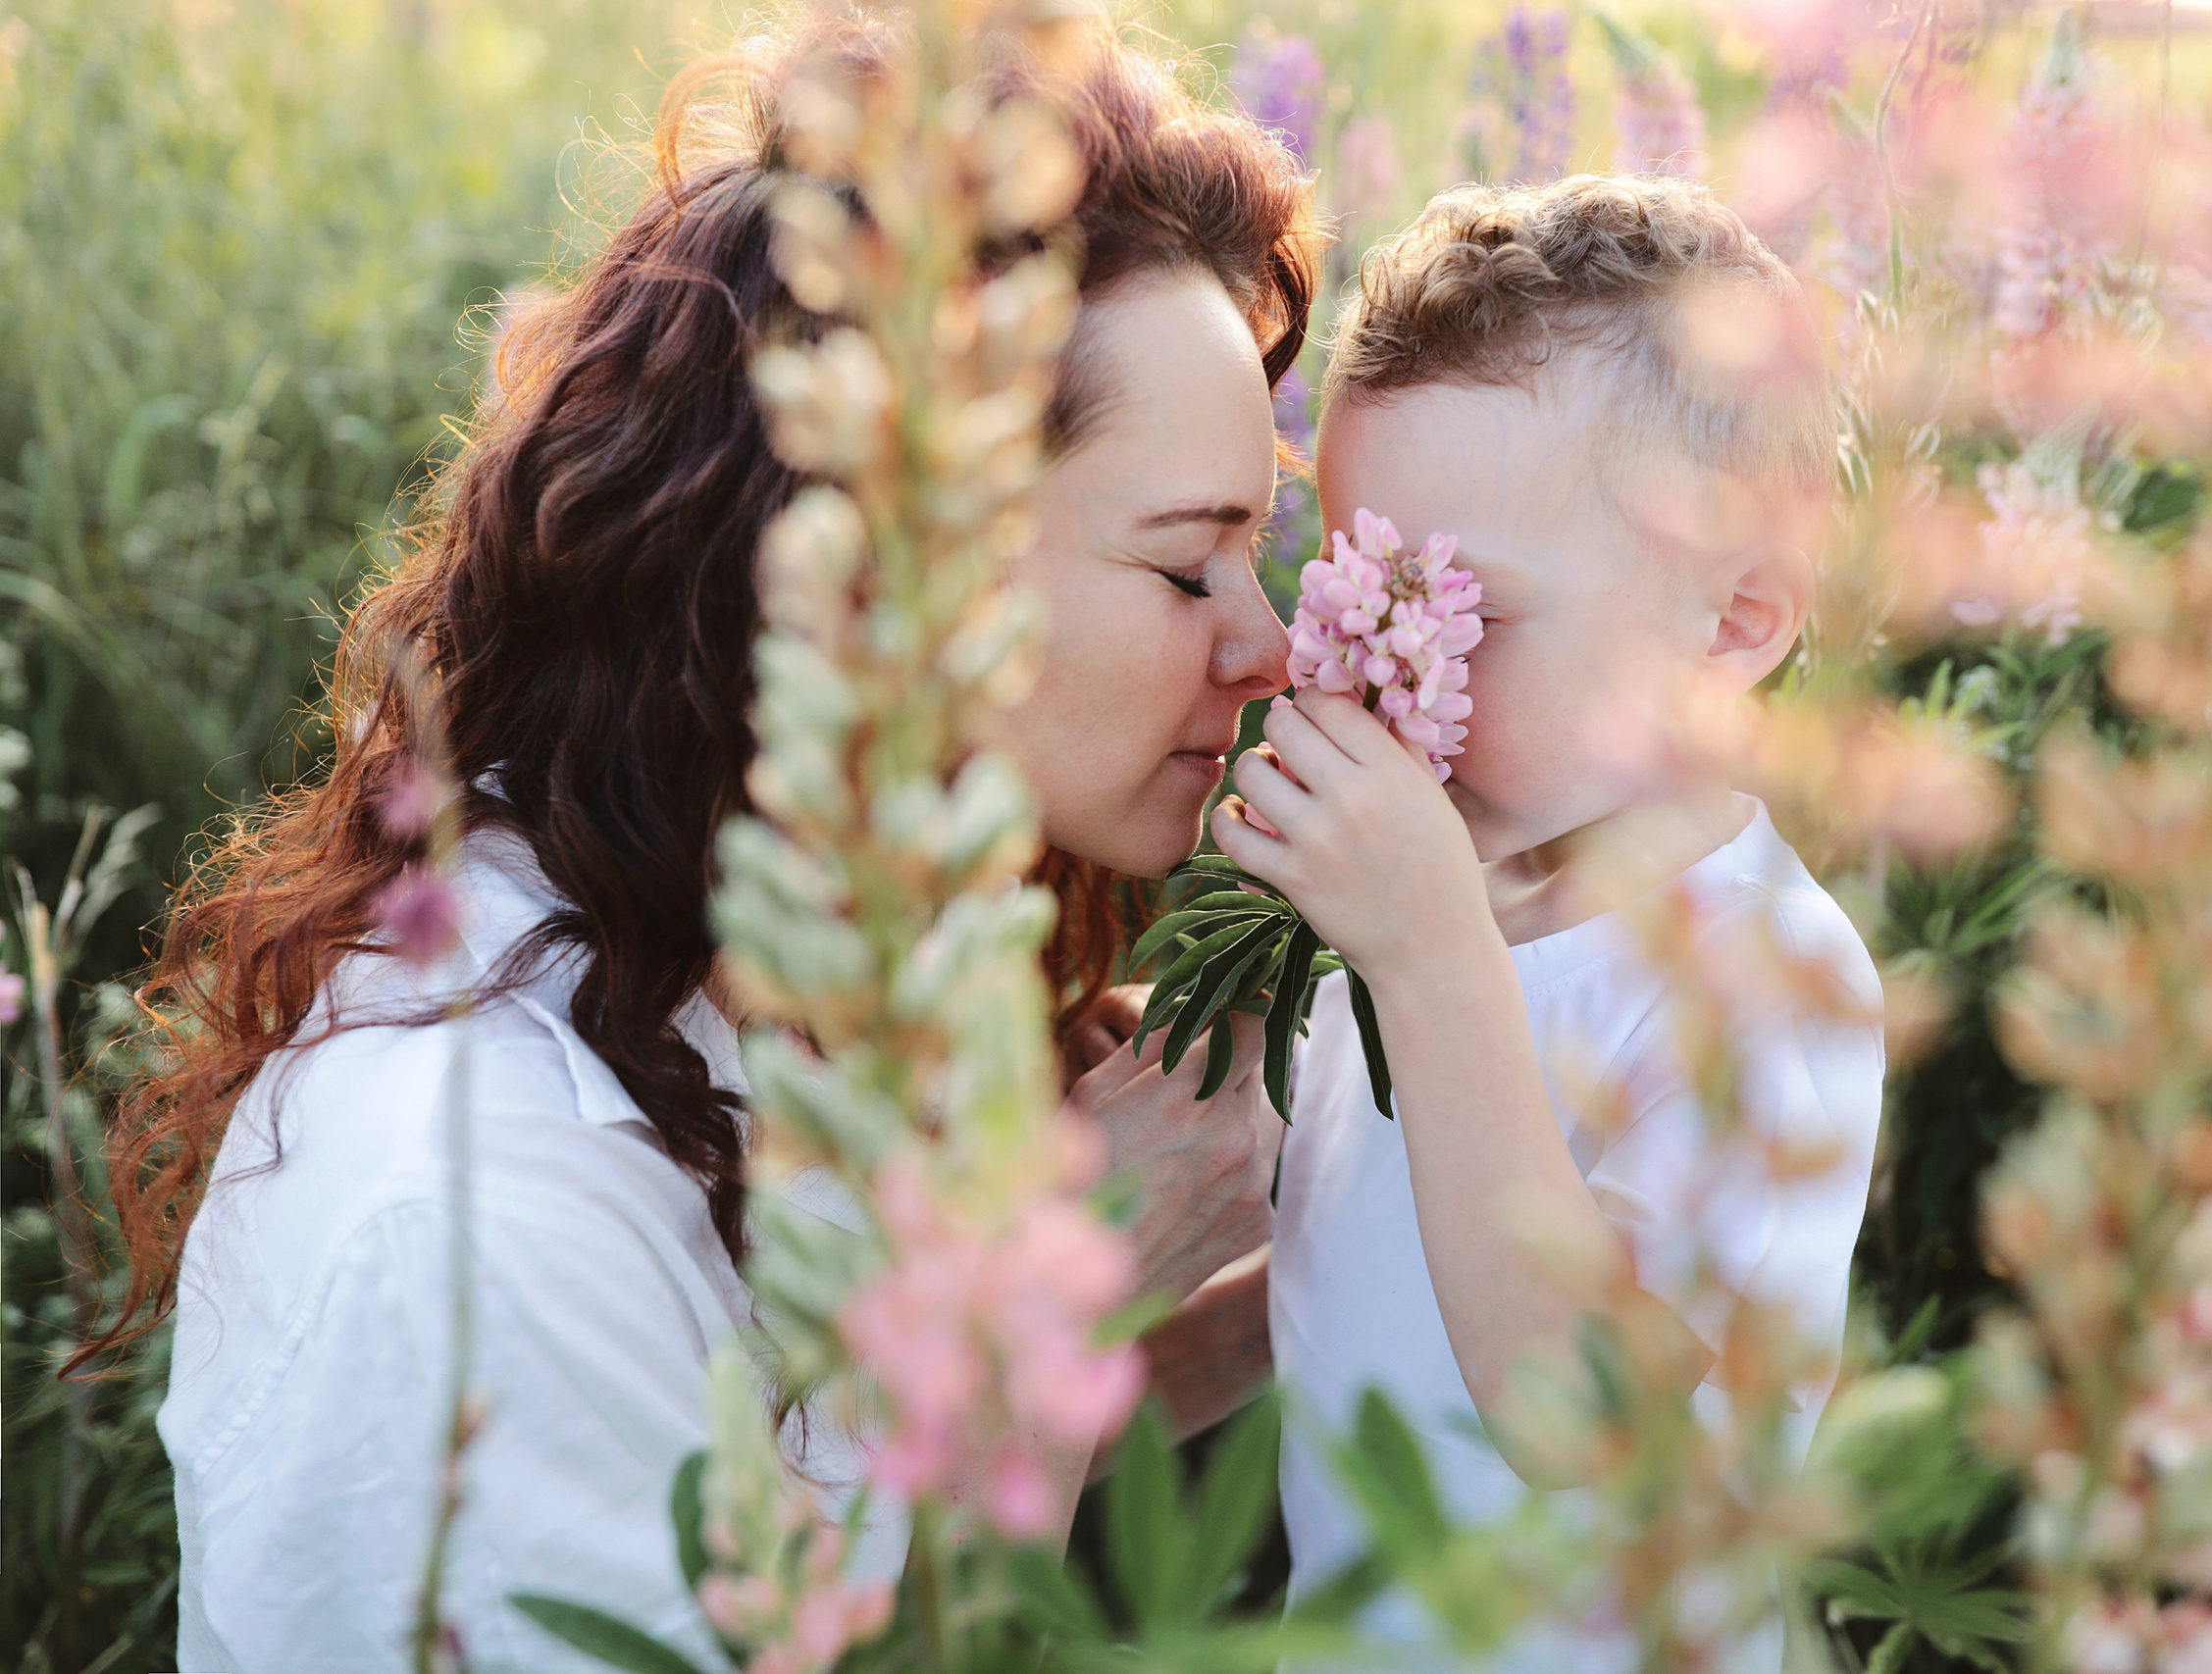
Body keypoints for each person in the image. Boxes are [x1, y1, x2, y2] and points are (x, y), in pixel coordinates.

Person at [90, 17, 1323, 1670]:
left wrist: (1265, 1308)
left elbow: (836, 1509)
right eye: (1189, 567)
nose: (1273, 646)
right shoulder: (480, 1191)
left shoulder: (734, 981)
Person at [1209, 175, 1885, 1670]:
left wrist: (1430, 958)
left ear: (1732, 623)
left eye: (1466, 614)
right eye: (1359, 596)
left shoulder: (1760, 977)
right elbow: (1359, 1271)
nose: (1387, 668)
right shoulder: (1420, 917)